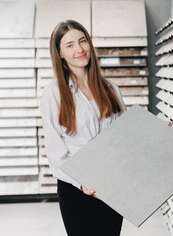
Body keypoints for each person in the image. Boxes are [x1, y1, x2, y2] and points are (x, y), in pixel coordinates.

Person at [40, 20, 126, 236]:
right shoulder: (54, 93)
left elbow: (125, 134)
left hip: (111, 184)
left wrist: (154, 130)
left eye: (82, 41)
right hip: (76, 188)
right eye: (69, 45)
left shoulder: (110, 89)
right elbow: (55, 150)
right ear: (60, 53)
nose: (79, 49)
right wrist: (82, 183)